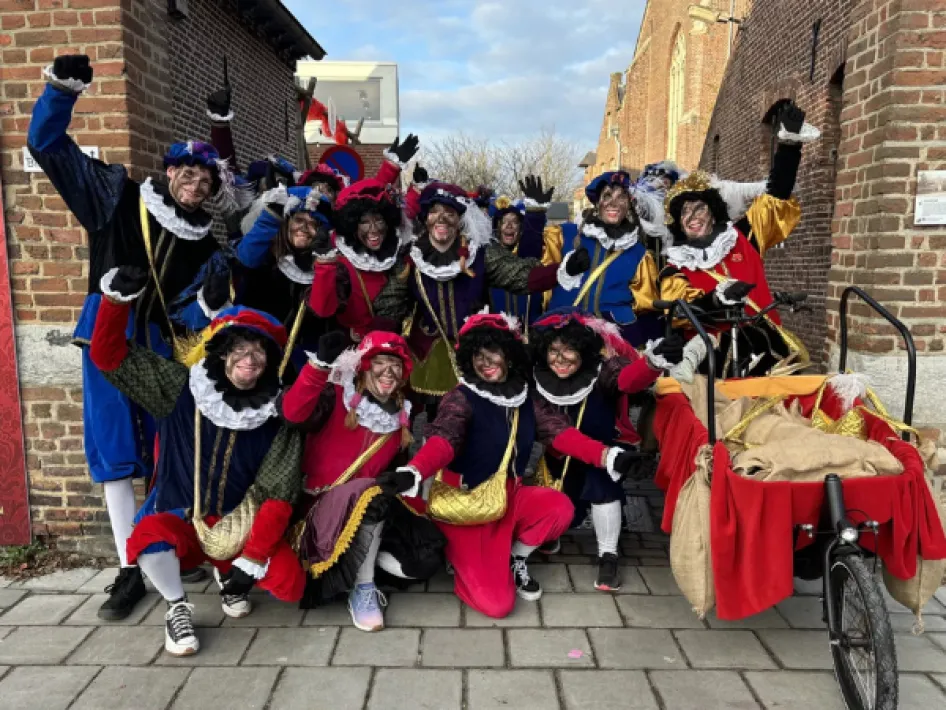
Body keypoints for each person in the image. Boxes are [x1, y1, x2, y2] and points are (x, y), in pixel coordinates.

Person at [26, 54, 238, 620]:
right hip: (106, 336)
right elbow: (49, 148)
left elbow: (188, 314)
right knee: (117, 453)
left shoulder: (204, 243)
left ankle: (160, 547)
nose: (193, 184)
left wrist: (210, 302)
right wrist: (61, 94)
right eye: (186, 173)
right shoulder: (116, 195)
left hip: (161, 348)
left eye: (204, 179)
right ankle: (127, 567)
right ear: (169, 172)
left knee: (168, 451)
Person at [88, 265, 306, 656]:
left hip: (240, 525)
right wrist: (115, 303)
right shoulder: (180, 388)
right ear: (222, 352)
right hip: (183, 519)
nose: (250, 358)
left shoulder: (277, 414)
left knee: (291, 586)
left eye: (259, 351)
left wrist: (252, 559)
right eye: (240, 348)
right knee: (149, 538)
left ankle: (227, 572)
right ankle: (176, 607)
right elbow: (109, 357)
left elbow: (279, 492)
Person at [391, 311, 642, 618]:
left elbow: (561, 433)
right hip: (469, 507)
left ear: (508, 354)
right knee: (498, 606)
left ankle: (515, 557)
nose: (487, 363)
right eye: (478, 356)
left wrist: (608, 456)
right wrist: (415, 470)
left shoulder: (525, 397)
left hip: (509, 497)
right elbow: (444, 438)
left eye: (493, 353)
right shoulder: (461, 398)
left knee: (559, 507)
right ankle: (456, 554)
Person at [279, 331, 445, 631]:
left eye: (396, 365)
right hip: (321, 509)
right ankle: (364, 587)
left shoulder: (400, 420)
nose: (388, 372)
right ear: (364, 366)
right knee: (370, 490)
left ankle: (359, 559)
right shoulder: (334, 394)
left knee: (424, 559)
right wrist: (318, 368)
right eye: (380, 362)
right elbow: (293, 413)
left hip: (369, 510)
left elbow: (398, 478)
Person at [374, 181, 591, 401]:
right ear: (425, 218)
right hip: (426, 353)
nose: (441, 218)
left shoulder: (480, 254)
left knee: (474, 412)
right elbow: (390, 306)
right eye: (434, 212)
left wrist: (563, 269)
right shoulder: (409, 259)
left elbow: (519, 274)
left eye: (449, 212)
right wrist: (375, 348)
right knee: (427, 413)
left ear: (460, 220)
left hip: (476, 351)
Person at [658, 100, 820, 377]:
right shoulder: (675, 266)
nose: (692, 216)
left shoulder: (744, 236)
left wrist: (789, 146)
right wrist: (718, 299)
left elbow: (775, 198)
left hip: (767, 348)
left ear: (713, 211)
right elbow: (680, 311)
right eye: (684, 211)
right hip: (712, 360)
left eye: (699, 207)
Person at [530, 309, 683, 590]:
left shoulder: (602, 369)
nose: (560, 359)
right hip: (561, 458)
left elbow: (627, 379)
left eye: (569, 351)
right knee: (561, 508)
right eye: (553, 351)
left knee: (603, 489)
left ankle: (608, 555)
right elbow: (553, 430)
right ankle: (554, 530)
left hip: (605, 456)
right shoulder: (537, 380)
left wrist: (652, 361)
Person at [170, 185, 334, 382]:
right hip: (238, 365)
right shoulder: (238, 260)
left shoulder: (325, 271)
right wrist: (207, 303)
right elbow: (182, 318)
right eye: (299, 220)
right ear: (284, 222)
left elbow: (323, 321)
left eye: (314, 224)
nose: (305, 229)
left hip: (287, 373)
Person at [547, 170, 666, 347]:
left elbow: (646, 308)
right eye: (607, 196)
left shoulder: (639, 253)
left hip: (617, 339)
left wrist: (653, 351)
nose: (613, 203)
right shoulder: (565, 235)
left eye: (621, 197)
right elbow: (534, 277)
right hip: (565, 334)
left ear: (629, 204)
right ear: (597, 203)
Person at [308, 176, 411, 344]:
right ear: (352, 226)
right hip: (351, 350)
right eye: (364, 222)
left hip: (392, 349)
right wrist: (325, 265)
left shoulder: (399, 254)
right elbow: (323, 310)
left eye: (378, 220)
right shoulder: (343, 262)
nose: (374, 230)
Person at [487, 176, 564, 326]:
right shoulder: (488, 258)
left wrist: (535, 213)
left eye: (514, 222)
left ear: (521, 228)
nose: (509, 226)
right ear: (496, 228)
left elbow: (531, 241)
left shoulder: (527, 254)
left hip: (530, 332)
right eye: (504, 222)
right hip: (495, 336)